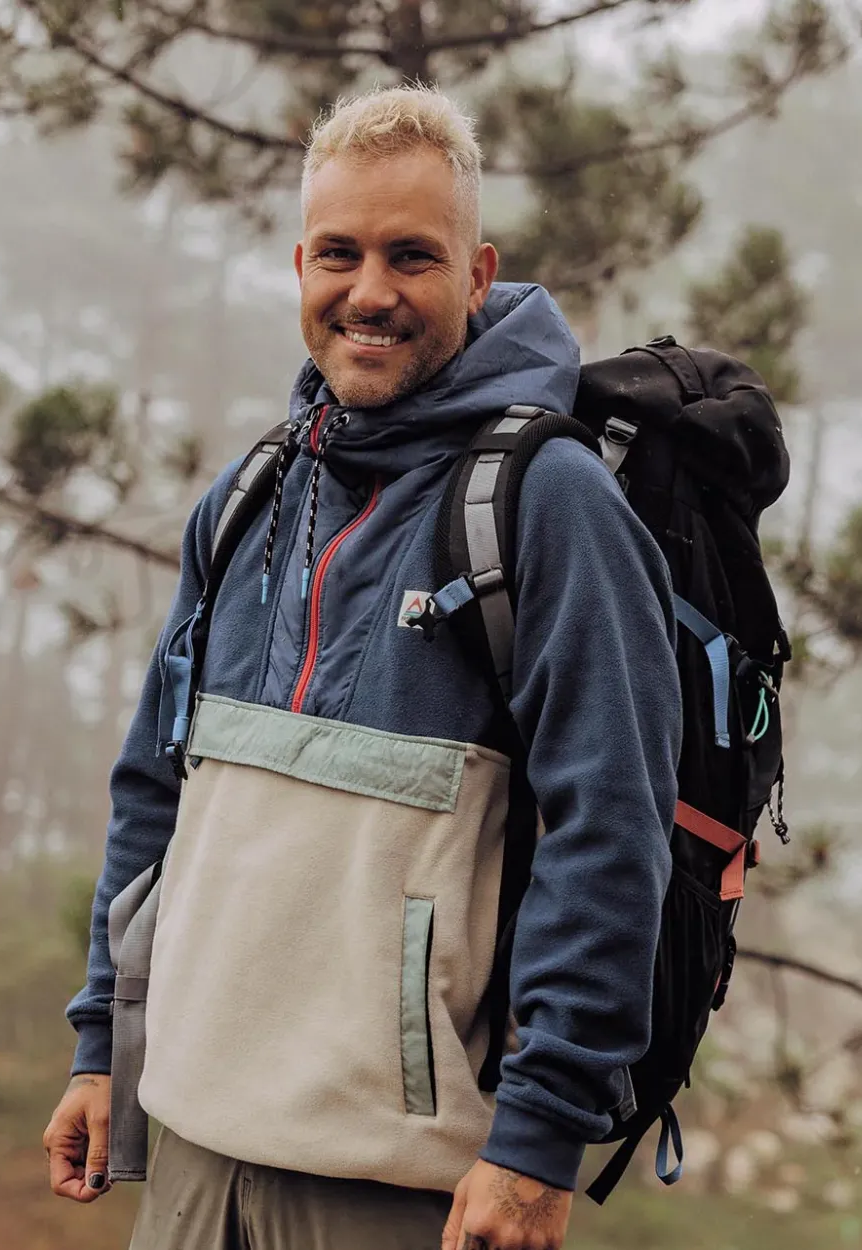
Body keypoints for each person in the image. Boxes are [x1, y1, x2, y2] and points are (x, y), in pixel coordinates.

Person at [43, 84, 681, 1250]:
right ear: (301, 266)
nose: (369, 290)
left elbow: (612, 832)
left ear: (477, 276)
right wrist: (102, 1045)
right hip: (190, 1153)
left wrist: (539, 1138)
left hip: (399, 1188)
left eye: (411, 256)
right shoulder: (246, 499)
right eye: (338, 253)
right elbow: (155, 793)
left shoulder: (549, 504)